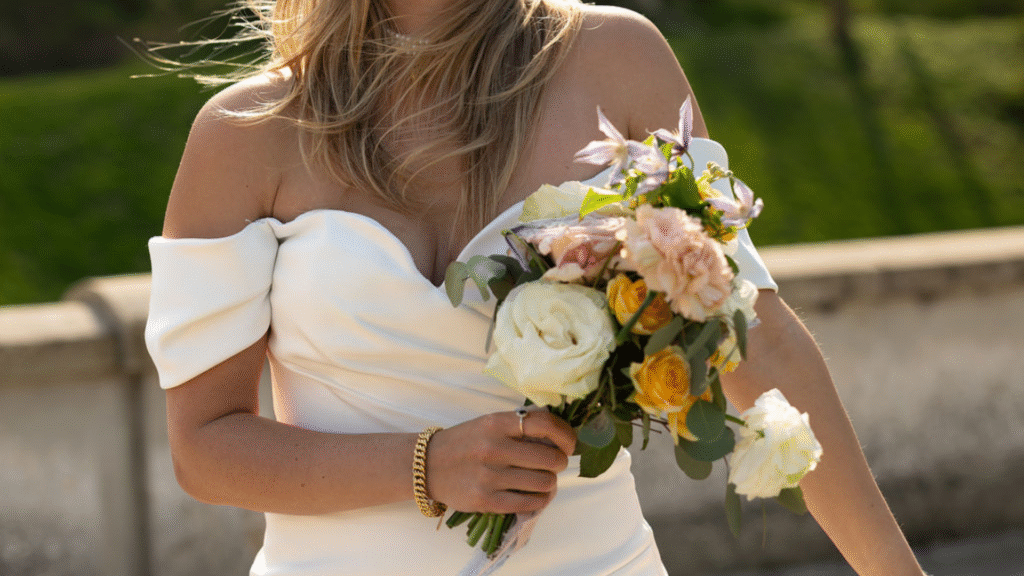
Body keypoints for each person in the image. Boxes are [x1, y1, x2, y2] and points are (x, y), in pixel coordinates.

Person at [144, 0, 927, 574]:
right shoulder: (244, 134)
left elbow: (758, 337)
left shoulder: (618, 62)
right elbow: (204, 447)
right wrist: (425, 466)